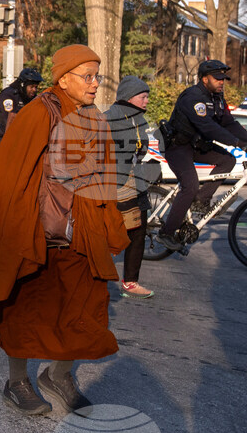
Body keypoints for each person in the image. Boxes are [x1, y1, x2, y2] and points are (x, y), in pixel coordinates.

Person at [0, 44, 128, 416]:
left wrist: (111, 221)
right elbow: (8, 174)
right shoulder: (39, 113)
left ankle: (59, 375)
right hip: (37, 232)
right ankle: (17, 381)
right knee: (24, 306)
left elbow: (105, 177)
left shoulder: (95, 118)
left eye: (97, 76)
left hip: (81, 232)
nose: (94, 84)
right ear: (63, 78)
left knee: (83, 309)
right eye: (87, 76)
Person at [157, 59, 247, 251]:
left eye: (224, 78)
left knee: (228, 160)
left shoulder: (218, 98)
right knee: (190, 186)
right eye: (217, 78)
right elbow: (208, 126)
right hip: (177, 147)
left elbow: (229, 124)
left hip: (196, 146)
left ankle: (201, 200)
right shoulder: (193, 97)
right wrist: (236, 143)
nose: (222, 82)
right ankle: (165, 233)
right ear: (204, 79)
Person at [104, 76, 155, 299]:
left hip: (135, 180)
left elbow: (140, 147)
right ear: (129, 97)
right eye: (143, 97)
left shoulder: (137, 118)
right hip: (115, 182)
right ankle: (86, 275)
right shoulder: (110, 117)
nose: (146, 101)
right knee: (110, 229)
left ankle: (131, 282)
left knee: (139, 229)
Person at [0, 67, 43, 151]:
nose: (34, 90)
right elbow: (8, 121)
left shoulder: (30, 97)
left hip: (14, 136)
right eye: (31, 87)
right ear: (22, 84)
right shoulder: (9, 95)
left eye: (36, 87)